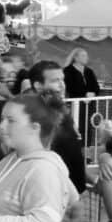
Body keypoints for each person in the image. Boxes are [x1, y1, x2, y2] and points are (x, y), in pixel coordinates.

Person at [0, 93, 80, 222]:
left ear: (34, 128)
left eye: (11, 121)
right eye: (3, 119)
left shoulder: (43, 169)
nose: (1, 126)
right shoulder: (8, 162)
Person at [27, 60, 87, 195]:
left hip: (73, 191)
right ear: (38, 85)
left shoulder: (61, 110)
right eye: (55, 81)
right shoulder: (32, 116)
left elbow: (72, 148)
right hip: (52, 193)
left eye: (62, 80)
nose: (62, 85)